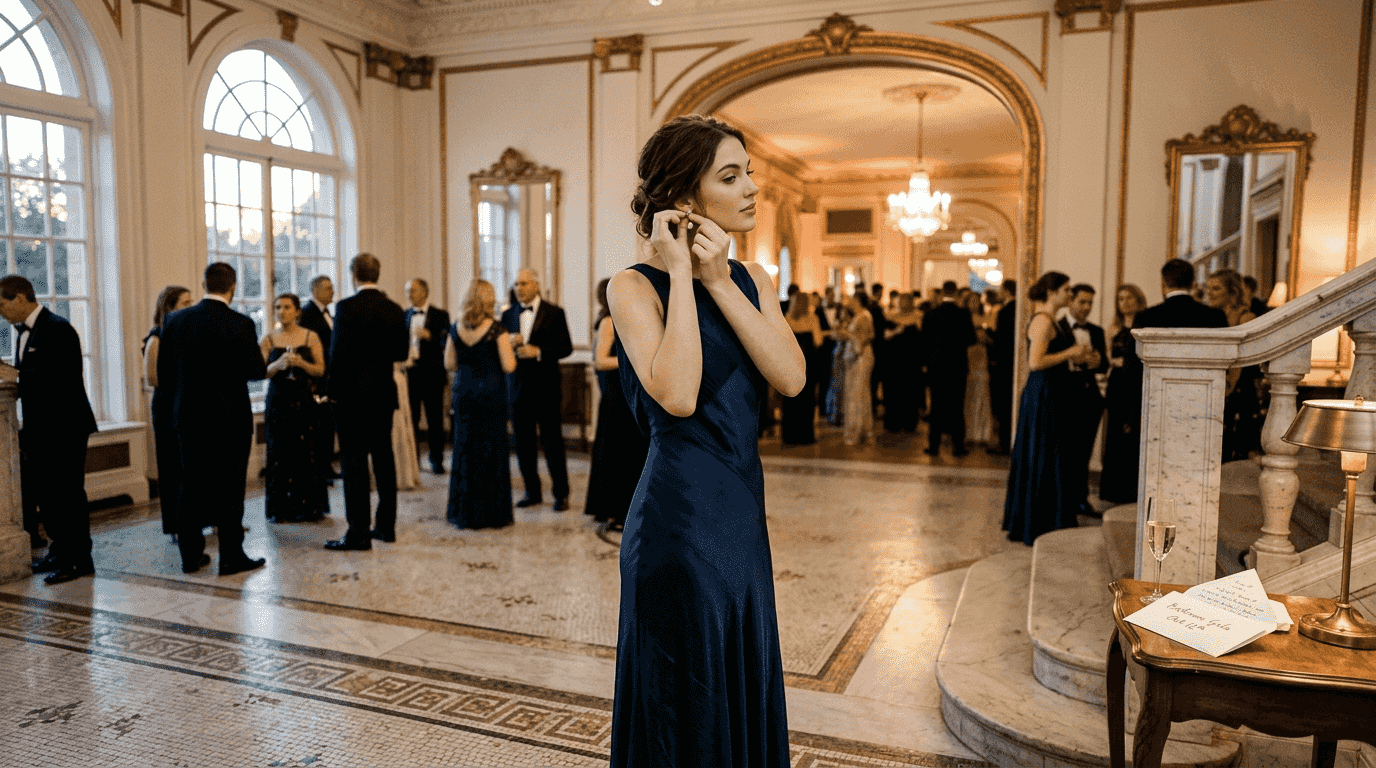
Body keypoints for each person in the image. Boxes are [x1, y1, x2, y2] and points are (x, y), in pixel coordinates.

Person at [608, 114, 804, 766]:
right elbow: (679, 393)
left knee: (736, 667)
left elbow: (793, 378)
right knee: (680, 687)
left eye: (749, 170)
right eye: (732, 175)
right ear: (687, 200)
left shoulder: (754, 281)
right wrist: (684, 277)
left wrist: (720, 279)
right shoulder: (633, 287)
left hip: (743, 512)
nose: (752, 187)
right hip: (677, 519)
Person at [158, 262, 267, 576]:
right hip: (229, 419)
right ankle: (231, 556)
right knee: (230, 488)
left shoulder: (175, 320)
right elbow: (256, 372)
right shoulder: (240, 323)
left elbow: (165, 374)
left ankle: (190, 557)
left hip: (187, 418)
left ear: (204, 284)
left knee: (189, 486)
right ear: (232, 287)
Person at [0, 276, 98, 585]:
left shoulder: (58, 328)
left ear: (19, 298)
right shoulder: (22, 334)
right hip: (40, 429)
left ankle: (79, 559)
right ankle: (59, 550)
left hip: (65, 427)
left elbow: (62, 379)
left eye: (2, 305)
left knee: (67, 495)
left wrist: (17, 377)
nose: (1, 312)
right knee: (48, 497)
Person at [1002, 271, 1096, 546]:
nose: (1070, 294)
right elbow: (1036, 362)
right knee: (1043, 455)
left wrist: (1080, 357)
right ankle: (1040, 521)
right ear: (1052, 292)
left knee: (1051, 455)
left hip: (1052, 393)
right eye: (1066, 290)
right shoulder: (1042, 321)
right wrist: (1071, 353)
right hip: (1043, 394)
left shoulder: (1051, 320)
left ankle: (1048, 518)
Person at [325, 253, 408, 550]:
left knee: (354, 463)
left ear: (353, 275)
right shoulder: (395, 309)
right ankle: (385, 527)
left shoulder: (345, 308)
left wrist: (331, 391)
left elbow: (337, 355)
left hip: (351, 398)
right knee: (384, 460)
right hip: (382, 395)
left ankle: (358, 532)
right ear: (378, 273)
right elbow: (400, 353)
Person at [445, 278, 517, 529]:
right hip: (490, 395)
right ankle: (492, 514)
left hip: (464, 393)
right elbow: (509, 365)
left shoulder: (456, 326)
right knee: (491, 451)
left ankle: (464, 513)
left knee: (465, 451)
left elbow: (449, 364)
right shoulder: (496, 328)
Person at [501, 268, 574, 511]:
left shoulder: (554, 312)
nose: (518, 288)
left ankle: (560, 494)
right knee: (523, 444)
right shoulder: (507, 315)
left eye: (523, 284)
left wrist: (539, 351)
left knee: (552, 443)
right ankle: (532, 492)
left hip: (546, 389)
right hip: (518, 388)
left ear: (535, 285)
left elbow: (566, 348)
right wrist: (509, 346)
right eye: (516, 284)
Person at [584, 277, 650, 530]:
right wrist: (634, 360)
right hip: (616, 397)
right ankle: (615, 511)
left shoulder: (627, 320)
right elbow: (600, 361)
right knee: (616, 453)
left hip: (629, 394)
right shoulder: (609, 321)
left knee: (630, 454)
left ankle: (627, 510)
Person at [260, 293, 329, 523]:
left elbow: (320, 370)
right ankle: (280, 508)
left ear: (297, 311)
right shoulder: (268, 339)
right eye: (278, 307)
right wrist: (278, 364)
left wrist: (302, 364)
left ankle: (308, 507)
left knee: (306, 452)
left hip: (303, 400)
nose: (282, 311)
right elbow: (260, 372)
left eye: (287, 307)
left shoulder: (310, 337)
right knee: (279, 453)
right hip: (278, 401)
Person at [142, 286, 193, 542]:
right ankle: (174, 525)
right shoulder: (157, 338)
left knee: (194, 467)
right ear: (169, 307)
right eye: (185, 302)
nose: (190, 305)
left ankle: (203, 520)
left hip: (188, 405)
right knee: (172, 467)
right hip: (167, 407)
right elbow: (153, 378)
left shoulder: (187, 334)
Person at [1058, 284, 1108, 516]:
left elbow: (1105, 364)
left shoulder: (1096, 331)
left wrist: (1098, 361)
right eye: (1082, 302)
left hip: (1090, 398)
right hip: (1065, 397)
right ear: (1071, 301)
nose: (1087, 307)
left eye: (1090, 303)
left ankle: (1081, 499)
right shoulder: (1057, 327)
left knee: (1084, 453)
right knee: (1063, 451)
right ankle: (1060, 500)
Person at [1207, 268, 1264, 461]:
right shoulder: (1209, 316)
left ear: (1232, 292)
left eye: (1216, 288)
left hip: (1237, 388)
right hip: (1216, 385)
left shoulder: (1246, 317)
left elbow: (1242, 359)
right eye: (1209, 288)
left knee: (1235, 451)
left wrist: (1227, 388)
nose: (1209, 293)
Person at [1099, 284, 1148, 504]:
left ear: (1138, 300)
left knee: (1134, 434)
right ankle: (1112, 490)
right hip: (1117, 383)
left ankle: (1132, 489)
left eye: (1129, 298)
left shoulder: (1145, 327)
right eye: (1120, 299)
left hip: (1136, 383)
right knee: (1114, 435)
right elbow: (1108, 359)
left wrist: (1124, 362)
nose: (1125, 302)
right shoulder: (1113, 329)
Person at [923, 281, 977, 457]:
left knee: (936, 406)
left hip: (936, 366)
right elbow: (971, 339)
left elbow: (924, 341)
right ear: (955, 293)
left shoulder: (930, 314)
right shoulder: (963, 314)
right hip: (957, 367)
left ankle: (933, 447)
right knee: (957, 407)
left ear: (942, 292)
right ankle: (958, 447)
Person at [404, 278, 451, 474]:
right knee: (411, 419)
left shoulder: (440, 315)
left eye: (412, 291)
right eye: (407, 291)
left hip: (432, 374)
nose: (408, 295)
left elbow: (446, 342)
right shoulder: (404, 314)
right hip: (411, 373)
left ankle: (437, 460)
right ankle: (413, 460)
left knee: (434, 420)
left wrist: (430, 336)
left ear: (424, 291)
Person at [298, 275, 337, 487]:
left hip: (330, 377)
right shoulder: (306, 314)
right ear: (316, 291)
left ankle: (328, 466)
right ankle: (320, 469)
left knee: (328, 425)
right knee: (320, 426)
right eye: (329, 288)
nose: (333, 291)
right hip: (317, 377)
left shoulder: (329, 313)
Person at [780, 292, 822, 445]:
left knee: (791, 399)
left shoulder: (787, 318)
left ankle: (790, 435)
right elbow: (818, 341)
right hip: (807, 365)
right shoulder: (813, 319)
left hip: (790, 364)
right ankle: (805, 435)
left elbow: (781, 341)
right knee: (807, 400)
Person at [882, 292, 923, 433]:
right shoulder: (890, 315)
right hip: (894, 363)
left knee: (911, 395)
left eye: (906, 301)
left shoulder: (919, 316)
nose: (903, 303)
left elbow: (923, 340)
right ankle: (893, 423)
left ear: (912, 302)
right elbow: (884, 337)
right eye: (901, 301)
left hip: (912, 364)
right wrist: (895, 332)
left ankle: (910, 423)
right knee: (893, 394)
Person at [837, 292, 875, 446]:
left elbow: (866, 337)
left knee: (857, 393)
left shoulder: (864, 316)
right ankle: (864, 429)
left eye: (852, 299)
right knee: (858, 393)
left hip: (861, 357)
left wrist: (847, 335)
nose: (850, 301)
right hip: (856, 355)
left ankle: (856, 431)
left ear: (858, 300)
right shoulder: (858, 316)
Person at [989, 280, 1017, 454]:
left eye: (1001, 289)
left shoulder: (1006, 310)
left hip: (1003, 364)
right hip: (1011, 361)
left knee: (1003, 404)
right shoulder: (1018, 308)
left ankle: (1004, 443)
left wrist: (989, 336)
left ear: (1006, 291)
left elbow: (1002, 339)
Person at [964, 291, 994, 447]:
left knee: (982, 395)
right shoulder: (963, 319)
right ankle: (968, 432)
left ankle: (982, 433)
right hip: (968, 356)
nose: (974, 303)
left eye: (977, 300)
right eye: (971, 300)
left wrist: (986, 337)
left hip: (982, 356)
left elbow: (992, 339)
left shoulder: (987, 317)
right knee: (968, 395)